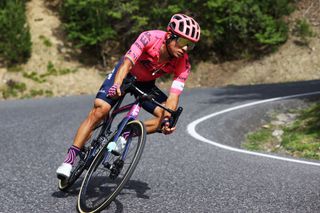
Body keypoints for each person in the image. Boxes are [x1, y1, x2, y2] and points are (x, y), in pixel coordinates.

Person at [56, 13, 201, 179]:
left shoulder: (184, 63)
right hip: (126, 74)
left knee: (164, 119)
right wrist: (117, 84)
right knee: (100, 110)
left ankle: (126, 132)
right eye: (183, 42)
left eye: (190, 45)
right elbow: (127, 63)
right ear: (169, 36)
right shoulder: (149, 37)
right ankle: (69, 160)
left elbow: (173, 97)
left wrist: (168, 119)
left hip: (146, 84)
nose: (185, 49)